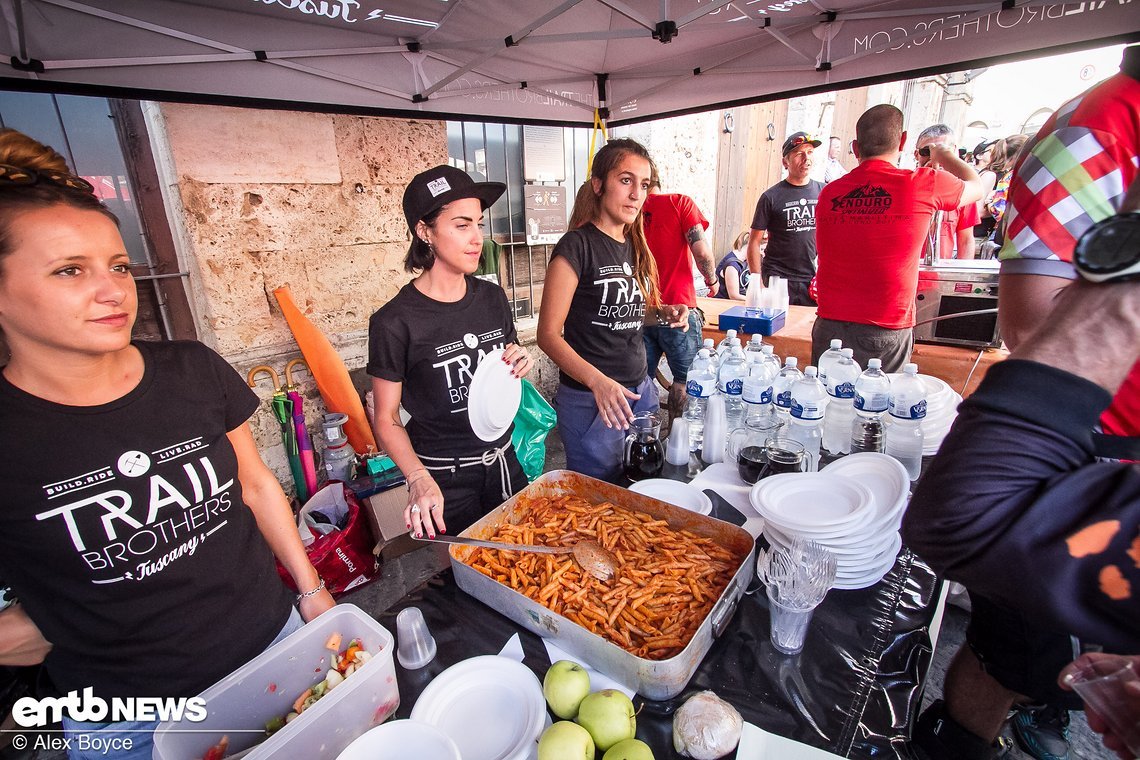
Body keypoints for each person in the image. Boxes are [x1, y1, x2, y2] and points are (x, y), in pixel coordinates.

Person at [0, 128, 335, 760]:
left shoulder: (191, 369)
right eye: (70, 270)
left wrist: (311, 591)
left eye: (119, 266)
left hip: (273, 647)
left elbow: (258, 486)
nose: (113, 290)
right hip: (131, 721)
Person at [903, 272, 1140, 759]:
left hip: (1076, 447)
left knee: (1033, 650)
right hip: (1087, 441)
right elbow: (1025, 320)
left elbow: (961, 516)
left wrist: (1122, 273)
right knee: (1017, 649)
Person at [368, 165, 534, 539]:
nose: (478, 238)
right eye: (462, 225)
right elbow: (386, 416)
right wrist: (417, 479)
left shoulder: (491, 298)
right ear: (424, 232)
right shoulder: (394, 322)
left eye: (479, 223)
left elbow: (506, 359)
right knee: (463, 580)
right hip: (442, 478)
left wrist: (522, 361)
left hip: (505, 461)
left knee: (523, 567)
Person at [537, 138, 688, 482]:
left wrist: (662, 313)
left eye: (644, 184)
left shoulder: (633, 245)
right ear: (599, 185)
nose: (637, 194)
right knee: (600, 502)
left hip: (639, 392)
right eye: (626, 180)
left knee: (641, 488)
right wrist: (598, 383)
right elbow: (547, 334)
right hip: (594, 402)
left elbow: (624, 312)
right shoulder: (577, 246)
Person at [811, 105, 984, 371]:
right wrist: (944, 155)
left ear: (856, 148)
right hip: (885, 324)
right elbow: (978, 186)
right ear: (902, 141)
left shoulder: (829, 193)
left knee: (824, 406)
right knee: (876, 409)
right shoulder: (921, 183)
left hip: (829, 323)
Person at [640, 175, 718, 423]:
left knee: (640, 380)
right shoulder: (679, 203)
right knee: (684, 381)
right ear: (658, 181)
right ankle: (676, 439)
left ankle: (642, 437)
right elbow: (702, 252)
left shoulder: (628, 210)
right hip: (679, 312)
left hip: (640, 312)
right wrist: (712, 281)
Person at [746, 131, 824, 307]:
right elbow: (754, 242)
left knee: (807, 331)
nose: (806, 158)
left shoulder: (824, 192)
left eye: (810, 152)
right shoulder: (771, 197)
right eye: (799, 154)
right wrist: (757, 281)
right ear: (785, 162)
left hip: (811, 279)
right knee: (775, 331)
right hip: (777, 278)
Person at [914, 124, 980, 260]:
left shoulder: (963, 191)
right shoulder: (906, 185)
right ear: (916, 154)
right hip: (907, 274)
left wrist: (963, 276)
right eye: (926, 152)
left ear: (954, 153)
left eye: (942, 151)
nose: (934, 158)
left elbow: (966, 239)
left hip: (940, 272)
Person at [714, 231, 753, 301]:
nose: (763, 254)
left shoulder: (743, 261)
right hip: (723, 305)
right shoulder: (732, 266)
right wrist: (756, 300)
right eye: (762, 250)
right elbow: (734, 296)